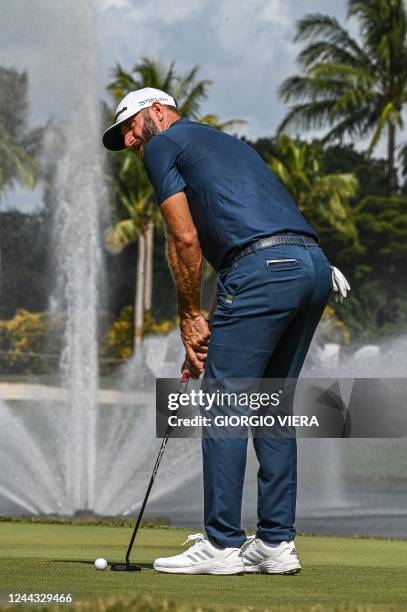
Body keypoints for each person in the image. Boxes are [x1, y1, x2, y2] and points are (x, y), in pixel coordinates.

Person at [102, 87, 349, 576]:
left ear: (157, 111)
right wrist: (214, 319)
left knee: (224, 403)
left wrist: (189, 316)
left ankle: (220, 545)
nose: (130, 140)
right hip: (313, 266)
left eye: (130, 126)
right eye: (123, 135)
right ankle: (276, 544)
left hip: (263, 270)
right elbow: (241, 239)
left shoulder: (162, 145)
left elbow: (184, 236)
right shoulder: (230, 144)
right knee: (271, 405)